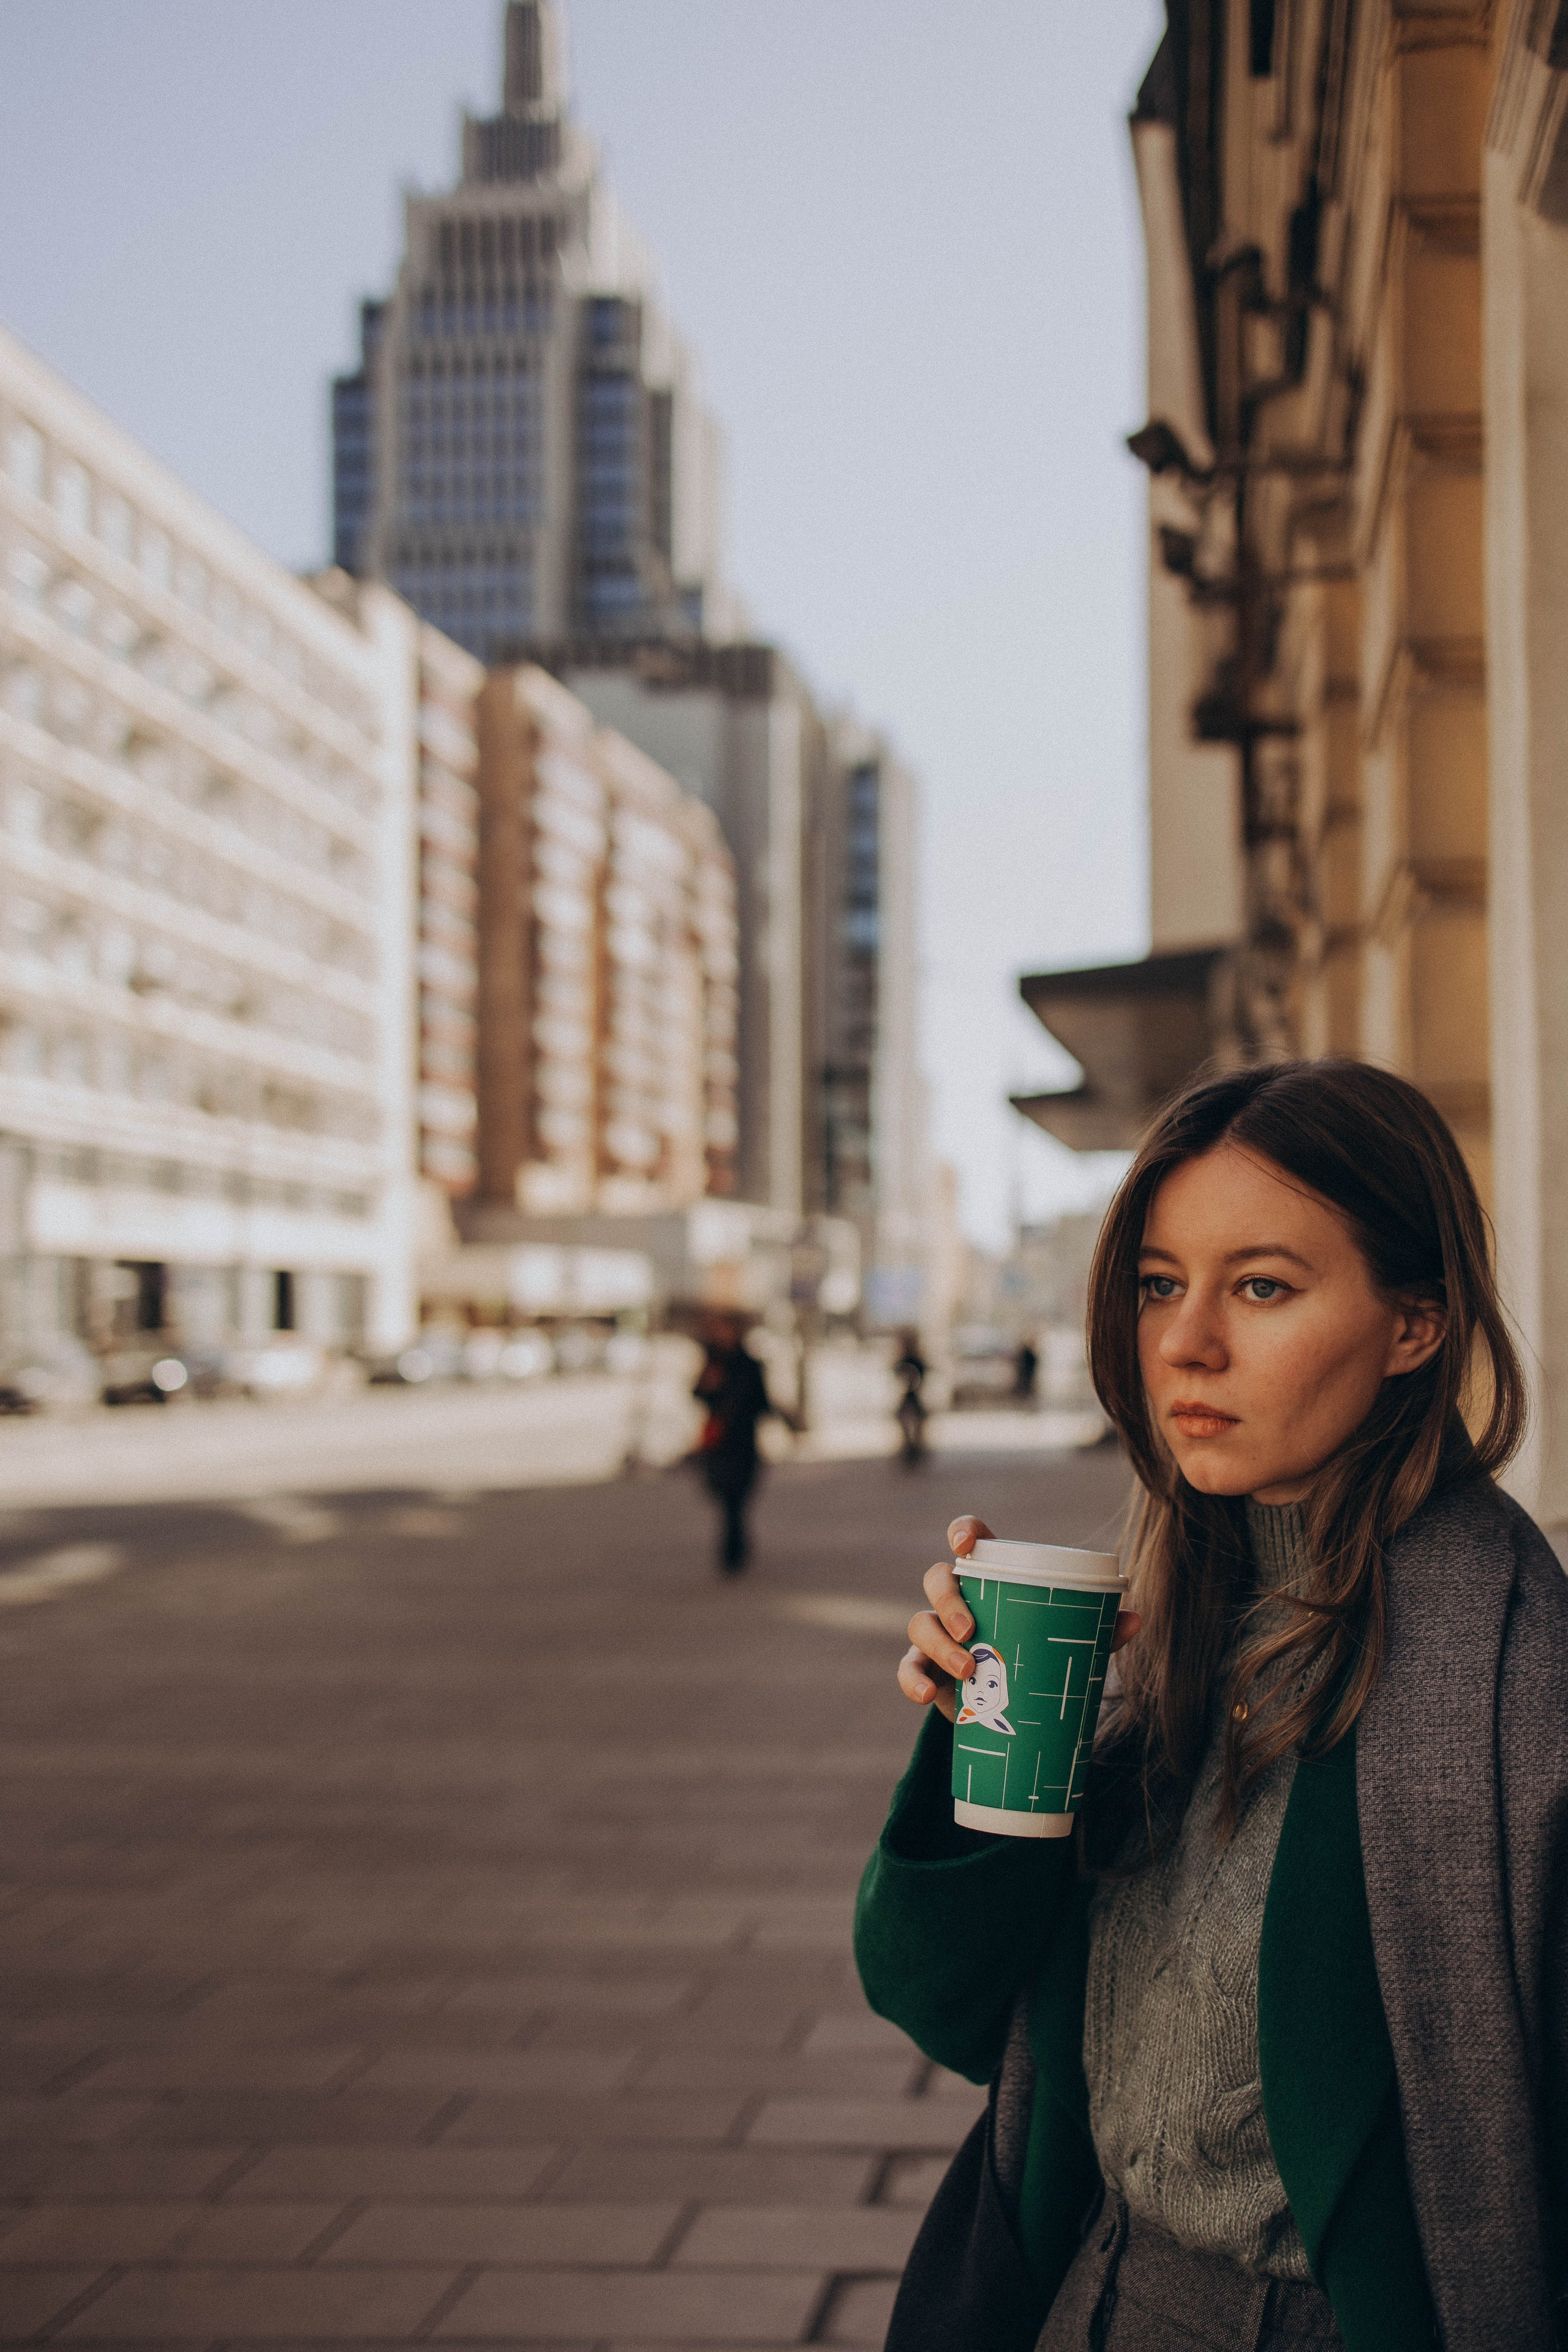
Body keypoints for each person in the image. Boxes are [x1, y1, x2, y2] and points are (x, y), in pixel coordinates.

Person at [855, 1060, 1568, 2352]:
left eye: (1260, 1287)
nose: (1185, 1343)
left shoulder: (1513, 1696)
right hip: (1083, 2289)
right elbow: (941, 2005)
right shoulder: (1159, 1622)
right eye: (1157, 1285)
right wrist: (981, 1730)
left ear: (1412, 1324)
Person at [692, 1313, 785, 1574]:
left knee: (739, 1498)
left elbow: (762, 1403)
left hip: (743, 1441)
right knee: (726, 1498)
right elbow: (698, 1395)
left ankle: (734, 1549)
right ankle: (733, 1549)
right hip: (718, 1442)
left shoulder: (751, 1365)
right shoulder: (713, 1364)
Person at [894, 1328, 929, 1468]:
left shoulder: (916, 1359)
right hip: (908, 1396)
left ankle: (916, 1446)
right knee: (904, 1420)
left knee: (919, 1421)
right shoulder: (904, 1359)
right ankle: (909, 1446)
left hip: (915, 1396)